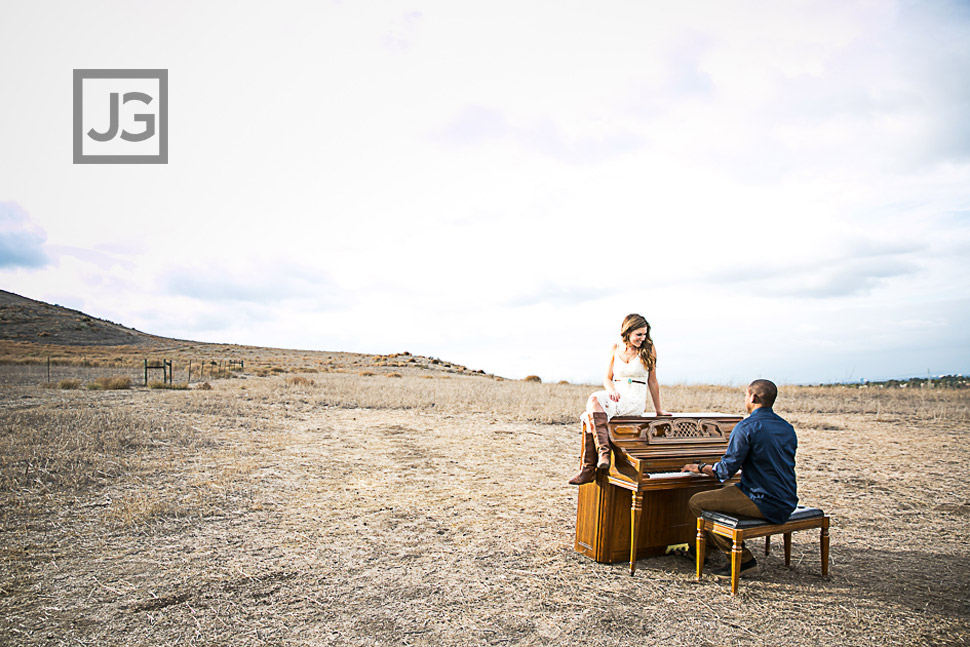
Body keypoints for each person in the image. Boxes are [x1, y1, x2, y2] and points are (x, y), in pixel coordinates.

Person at [681, 379, 798, 577]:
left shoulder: (746, 427)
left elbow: (724, 472)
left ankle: (743, 560)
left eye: (746, 395)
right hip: (786, 499)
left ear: (753, 397)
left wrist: (699, 467)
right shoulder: (786, 427)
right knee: (723, 495)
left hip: (762, 500)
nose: (746, 398)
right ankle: (701, 551)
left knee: (698, 502)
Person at [568, 313, 669, 485]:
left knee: (592, 406)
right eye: (639, 334)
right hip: (617, 394)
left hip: (634, 398)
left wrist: (658, 410)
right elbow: (607, 378)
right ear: (628, 332)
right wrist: (612, 390)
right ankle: (598, 460)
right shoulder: (615, 347)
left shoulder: (648, 349)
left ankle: (593, 464)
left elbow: (653, 381)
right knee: (592, 406)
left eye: (645, 334)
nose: (642, 338)